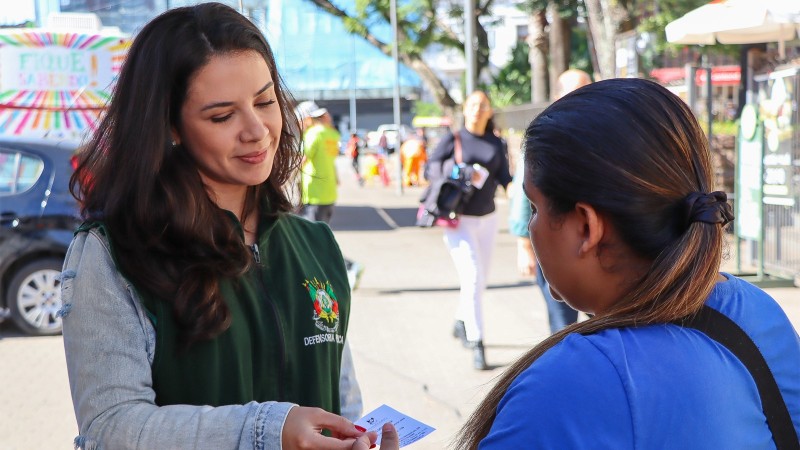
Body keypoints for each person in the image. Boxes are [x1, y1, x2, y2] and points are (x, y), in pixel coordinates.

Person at [61, 4, 373, 449]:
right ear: (169, 126)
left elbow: (344, 402)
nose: (257, 130)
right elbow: (110, 426)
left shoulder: (315, 243)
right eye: (222, 116)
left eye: (265, 102)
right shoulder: (113, 254)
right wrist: (265, 431)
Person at [447, 78, 800, 448]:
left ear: (586, 227)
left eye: (534, 207)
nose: (531, 228)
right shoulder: (755, 307)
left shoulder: (574, 382)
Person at [428, 91, 512, 370]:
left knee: (479, 281)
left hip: (488, 219)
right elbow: (431, 169)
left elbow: (505, 178)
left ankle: (460, 321)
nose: (478, 110)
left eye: (483, 106)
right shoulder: (453, 139)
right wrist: (460, 171)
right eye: (473, 105)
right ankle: (478, 342)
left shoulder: (496, 142)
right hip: (458, 220)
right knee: (473, 277)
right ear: (465, 109)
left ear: (489, 112)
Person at [507, 68, 591, 333]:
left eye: (586, 89)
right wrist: (524, 244)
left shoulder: (602, 131)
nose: (581, 97)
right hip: (556, 243)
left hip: (598, 248)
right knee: (561, 327)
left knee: (607, 327)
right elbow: (524, 191)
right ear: (557, 96)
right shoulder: (543, 134)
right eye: (573, 91)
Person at [296, 101, 364, 290]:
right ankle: (327, 274)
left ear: (308, 118)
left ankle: (348, 267)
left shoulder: (312, 135)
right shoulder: (331, 135)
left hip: (314, 193)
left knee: (313, 240)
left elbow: (301, 160)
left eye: (300, 120)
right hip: (328, 193)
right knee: (314, 238)